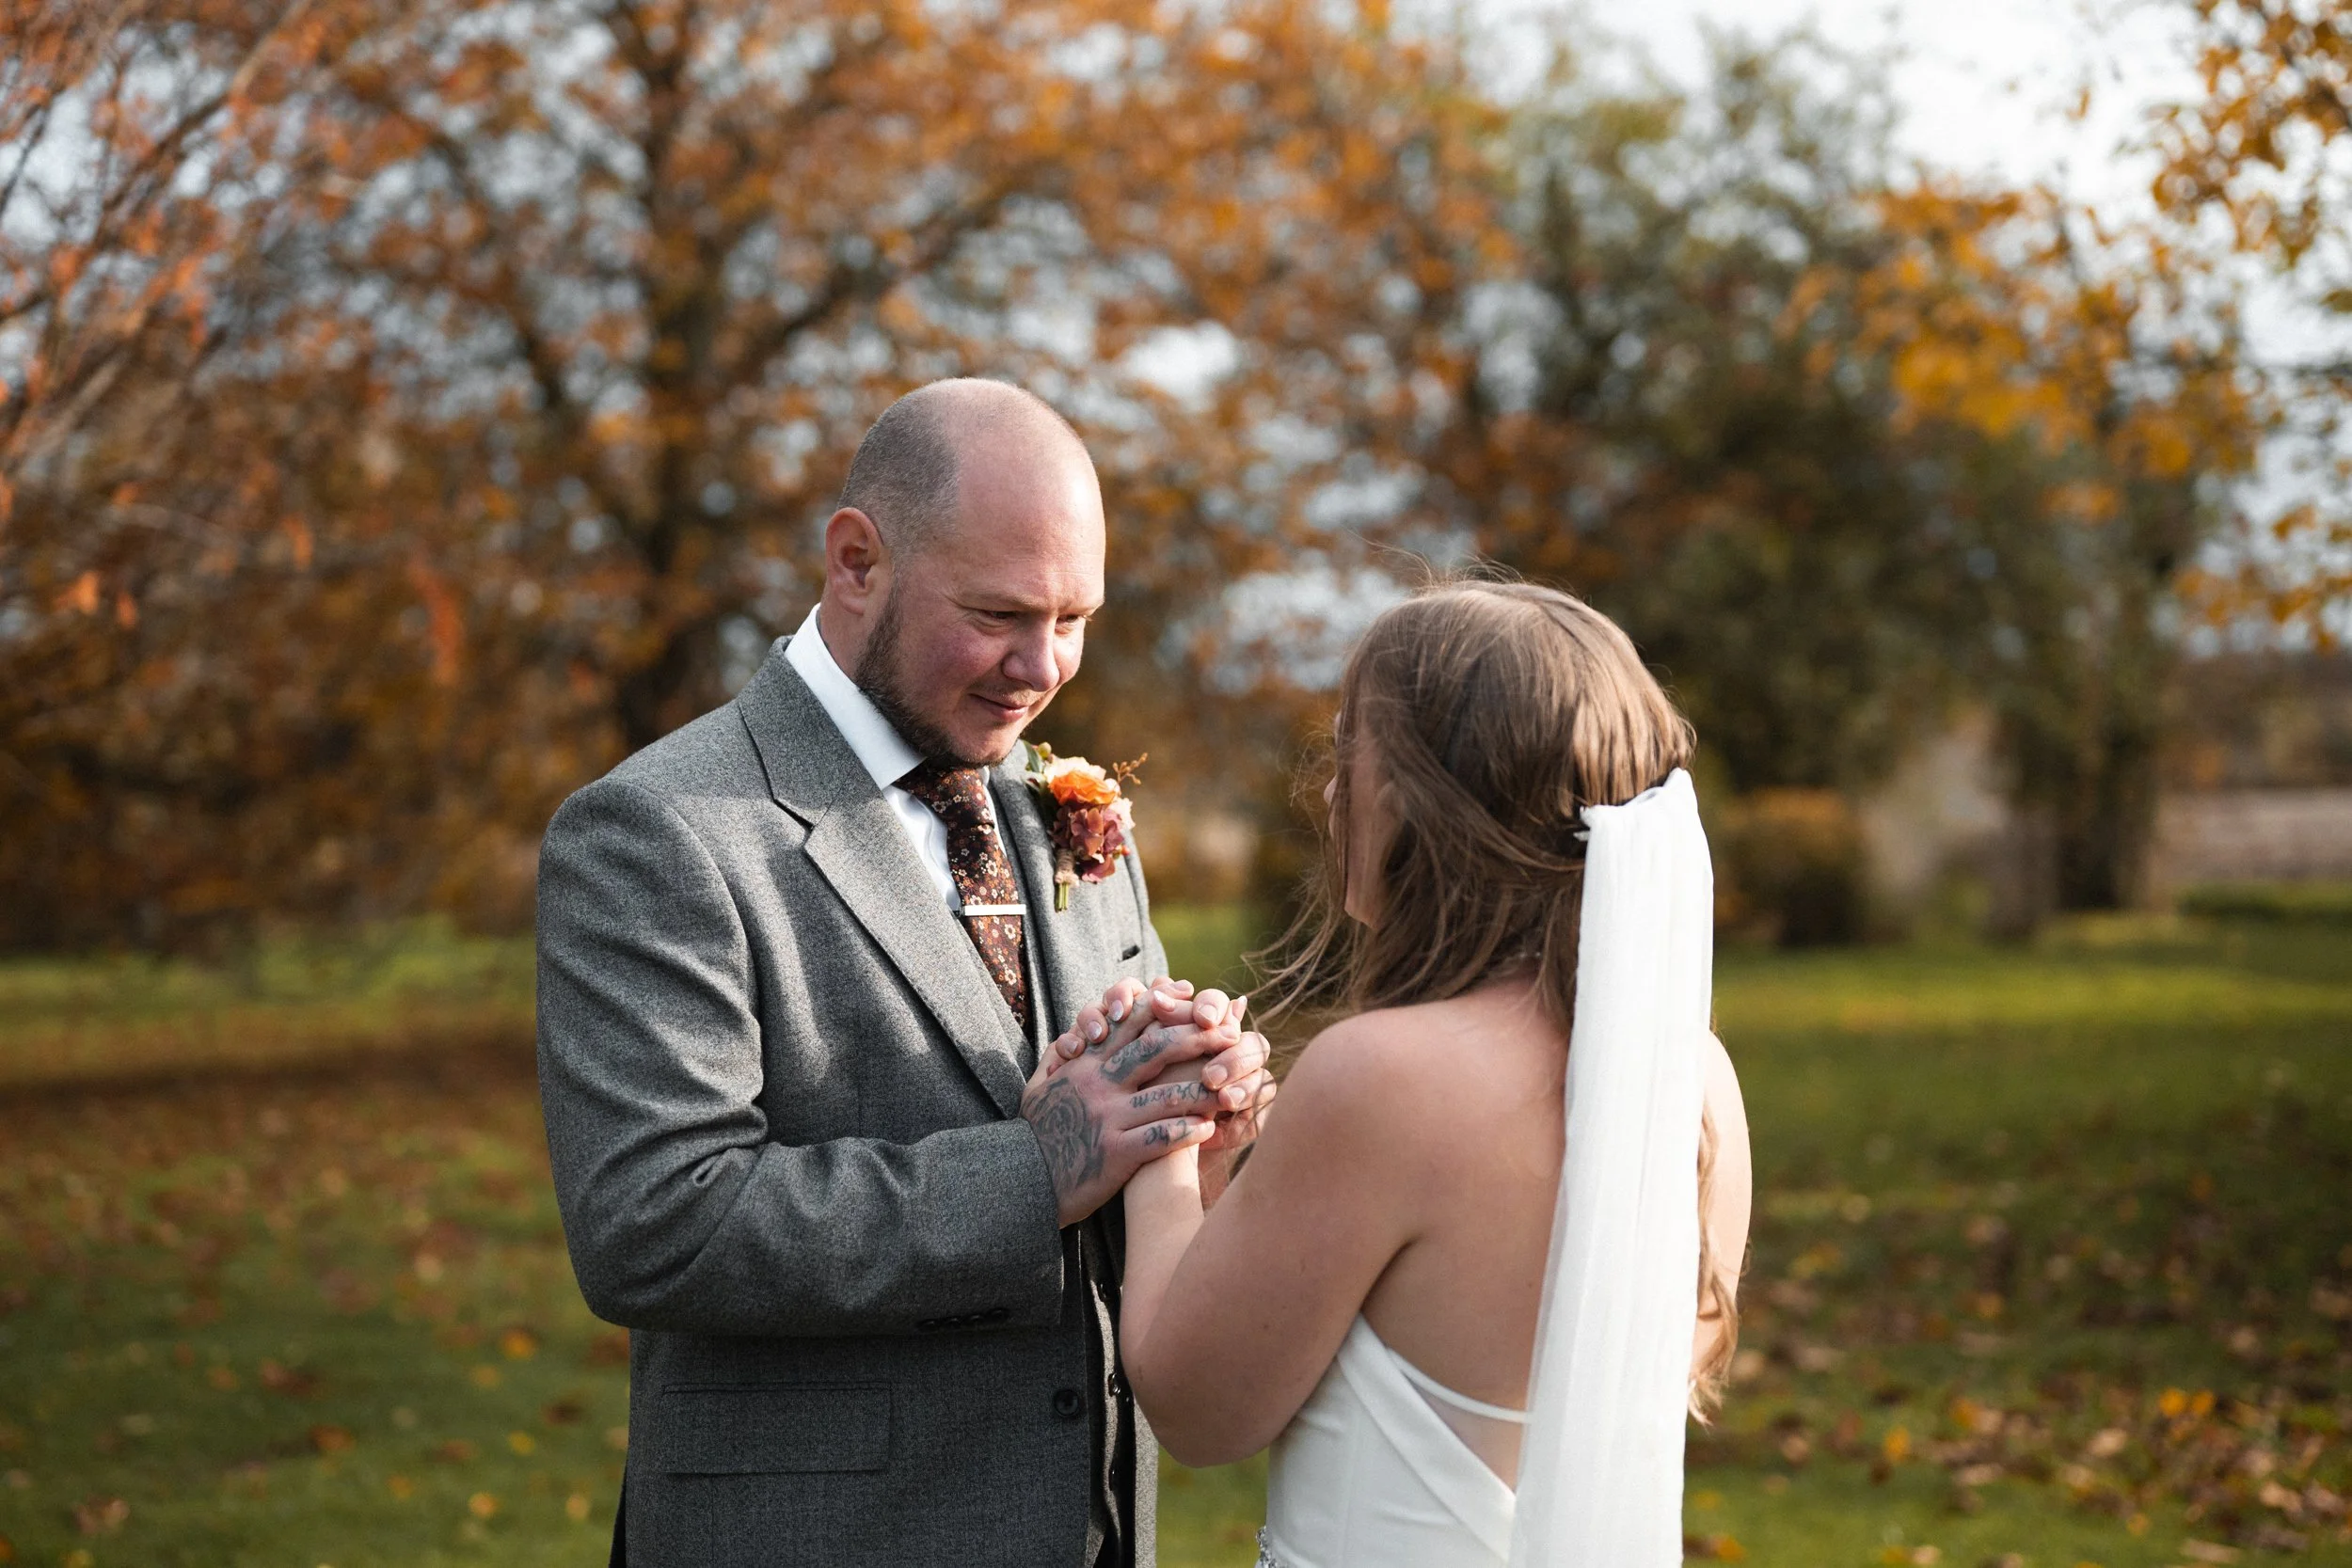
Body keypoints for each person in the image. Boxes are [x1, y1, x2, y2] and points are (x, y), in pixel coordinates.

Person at [533, 378, 1275, 1568]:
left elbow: (1131, 1157)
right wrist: (1040, 1165)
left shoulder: (1058, 807)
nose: (1041, 667)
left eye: (1075, 618)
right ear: (856, 560)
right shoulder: (660, 828)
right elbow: (653, 1223)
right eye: (998, 613)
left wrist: (1194, 1112)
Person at [1044, 580, 1753, 1567]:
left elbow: (1197, 1408)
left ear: (1431, 801)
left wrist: (1159, 1111)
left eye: (1350, 755)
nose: (1332, 793)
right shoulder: (1694, 1074)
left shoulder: (1382, 1078)